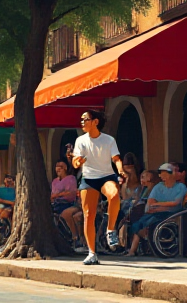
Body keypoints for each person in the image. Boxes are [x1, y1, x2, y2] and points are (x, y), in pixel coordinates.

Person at [68, 110, 124, 265]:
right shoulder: (80, 140)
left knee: (113, 195)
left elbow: (116, 158)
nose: (82, 122)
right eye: (81, 120)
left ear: (95, 122)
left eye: (85, 119)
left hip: (106, 176)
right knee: (88, 215)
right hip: (89, 179)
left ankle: (110, 230)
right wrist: (78, 162)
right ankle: (92, 253)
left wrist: (120, 169)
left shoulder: (108, 140)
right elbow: (75, 162)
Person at [126, 163, 187, 255]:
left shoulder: (181, 187)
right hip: (157, 212)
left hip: (173, 213)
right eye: (161, 174)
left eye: (165, 174)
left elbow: (176, 203)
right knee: (139, 223)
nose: (162, 176)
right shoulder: (158, 186)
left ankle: (150, 240)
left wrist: (159, 205)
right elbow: (151, 202)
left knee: (151, 221)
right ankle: (132, 250)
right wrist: (161, 206)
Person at [51, 160, 82, 249]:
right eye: (56, 166)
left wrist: (57, 195)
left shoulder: (71, 178)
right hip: (56, 203)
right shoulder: (54, 181)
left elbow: (70, 193)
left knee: (66, 214)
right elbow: (52, 195)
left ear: (65, 168)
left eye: (60, 166)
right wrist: (58, 195)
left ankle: (75, 237)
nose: (58, 168)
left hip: (69, 203)